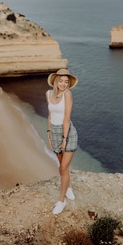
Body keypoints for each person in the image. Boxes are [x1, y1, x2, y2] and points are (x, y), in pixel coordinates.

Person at [46, 68, 79, 215]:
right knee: (61, 167)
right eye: (61, 81)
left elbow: (66, 119)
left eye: (66, 82)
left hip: (68, 133)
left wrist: (64, 139)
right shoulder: (48, 94)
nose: (64, 84)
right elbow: (50, 115)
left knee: (64, 168)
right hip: (53, 131)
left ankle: (61, 201)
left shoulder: (68, 94)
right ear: (56, 81)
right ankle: (68, 186)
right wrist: (48, 133)